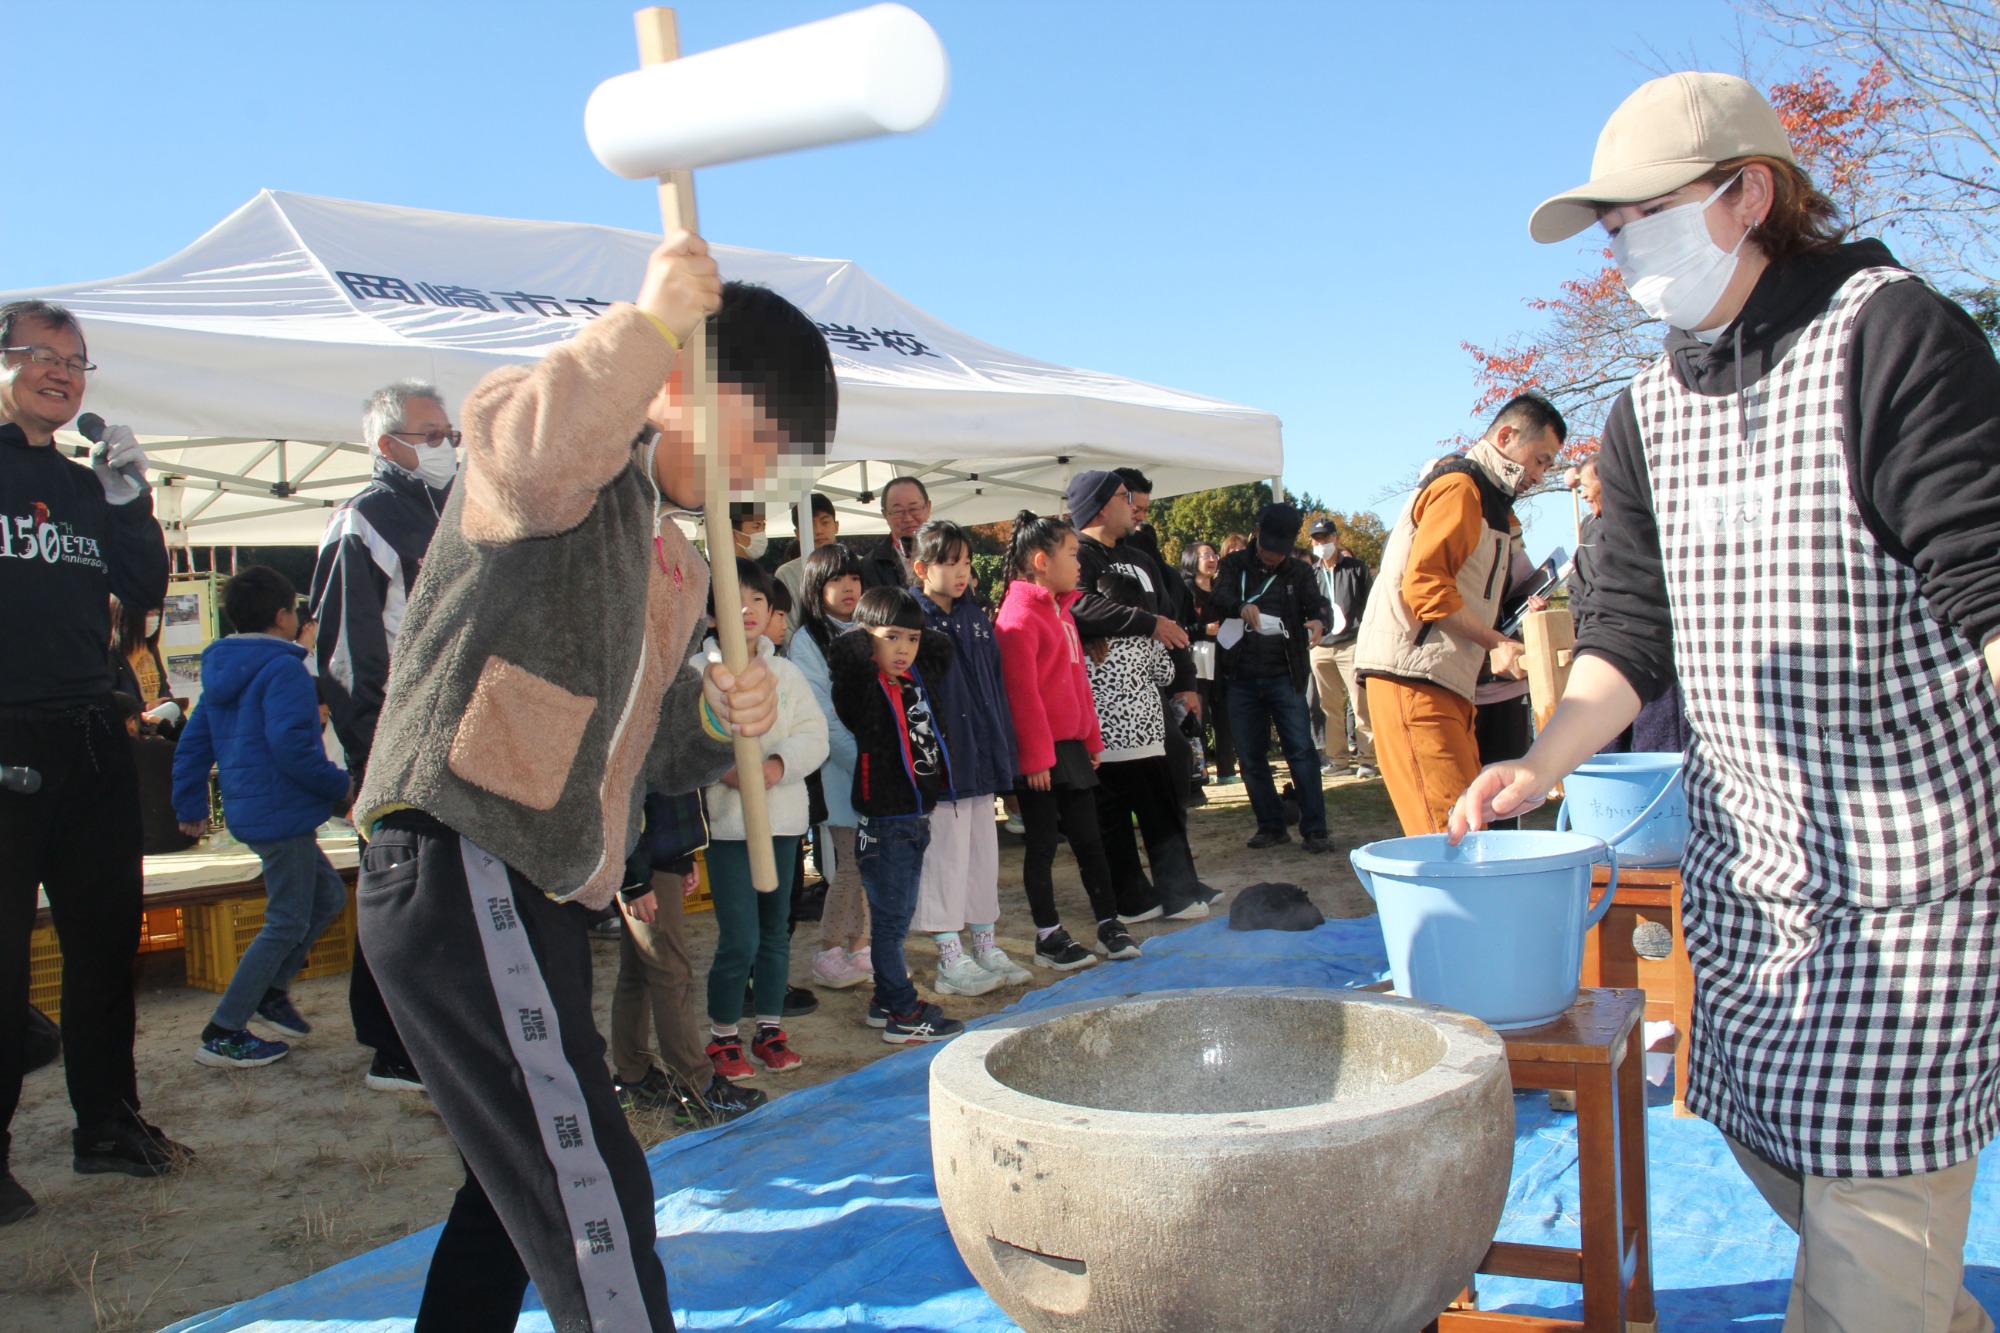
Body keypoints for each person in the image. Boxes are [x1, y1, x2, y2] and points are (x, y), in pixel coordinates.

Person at [1452, 71, 2000, 1333]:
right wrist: (1538, 764)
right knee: (1799, 1184)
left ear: (1749, 195)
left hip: (1908, 894)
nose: (1621, 250)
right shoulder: (1643, 410)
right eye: (1610, 229)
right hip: (1749, 883)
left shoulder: (1890, 336)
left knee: (1865, 1279)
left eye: (1642, 215)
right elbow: (1626, 638)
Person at [350, 236, 812, 1333]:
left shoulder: (676, 563)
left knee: (510, 1191)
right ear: (679, 387)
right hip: (465, 851)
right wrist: (646, 322)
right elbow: (526, 452)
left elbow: (640, 751)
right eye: (757, 433)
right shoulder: (559, 450)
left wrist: (710, 716)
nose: (755, 472)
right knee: (590, 1186)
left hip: (540, 887)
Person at [0, 299, 186, 1224]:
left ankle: (108, 1123)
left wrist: (129, 501)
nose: (64, 373)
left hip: (90, 736)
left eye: (77, 362)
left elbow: (145, 591)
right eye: (42, 355)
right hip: (6, 737)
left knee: (106, 941)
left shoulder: (81, 483)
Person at [309, 378, 456, 1095]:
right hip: (394, 741)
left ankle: (435, 1029)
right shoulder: (361, 520)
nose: (446, 447)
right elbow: (344, 650)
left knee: (442, 891)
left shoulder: (456, 512)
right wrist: (372, 751)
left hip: (458, 736)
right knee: (398, 885)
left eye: (450, 435)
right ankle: (390, 1042)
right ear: (387, 443)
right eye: (431, 436)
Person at [1354, 396, 1564, 836]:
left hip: (1443, 681)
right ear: (1506, 436)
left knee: (1471, 831)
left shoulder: (1490, 502)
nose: (1541, 475)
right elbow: (1426, 588)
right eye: (1540, 460)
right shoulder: (1461, 487)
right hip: (1414, 681)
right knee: (1453, 838)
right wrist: (1497, 641)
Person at [170, 566, 353, 1071]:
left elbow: (192, 744)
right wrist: (345, 789)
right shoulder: (285, 670)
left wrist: (189, 806)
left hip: (256, 811)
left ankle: (271, 991)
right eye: (295, 610)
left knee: (328, 896)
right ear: (282, 616)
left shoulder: (224, 669)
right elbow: (295, 750)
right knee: (286, 918)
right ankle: (224, 1030)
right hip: (283, 813)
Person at [697, 558, 828, 1083]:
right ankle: (723, 1036)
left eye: (758, 601)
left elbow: (812, 735)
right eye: (734, 600)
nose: (747, 610)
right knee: (739, 937)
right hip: (729, 828)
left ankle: (769, 1029)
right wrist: (721, 767)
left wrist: (776, 766)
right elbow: (690, 743)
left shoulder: (786, 673)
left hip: (782, 821)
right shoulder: (698, 674)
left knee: (776, 931)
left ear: (773, 612)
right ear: (712, 615)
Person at [993, 511, 1136, 966]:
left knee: (1089, 840)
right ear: (1041, 560)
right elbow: (1021, 694)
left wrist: (1091, 740)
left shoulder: (1064, 613)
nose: (1079, 564)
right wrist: (1035, 758)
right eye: (1072, 554)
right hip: (1039, 755)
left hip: (1070, 748)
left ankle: (1108, 922)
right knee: (1041, 845)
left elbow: (1078, 683)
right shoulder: (1017, 618)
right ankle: (1047, 935)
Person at [827, 587, 968, 1043]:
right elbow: (846, 660)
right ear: (868, 640)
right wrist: (864, 636)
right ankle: (902, 1013)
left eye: (912, 638)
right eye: (891, 637)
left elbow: (941, 651)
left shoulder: (915, 682)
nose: (904, 648)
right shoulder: (864, 690)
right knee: (890, 924)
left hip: (914, 817)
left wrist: (908, 635)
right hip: (886, 822)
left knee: (896, 917)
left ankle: (886, 1000)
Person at [909, 521, 1032, 995]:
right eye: (948, 562)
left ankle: (985, 945)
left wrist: (1003, 752)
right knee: (945, 858)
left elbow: (997, 689)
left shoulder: (977, 618)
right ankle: (948, 957)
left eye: (966, 562)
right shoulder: (911, 622)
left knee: (982, 855)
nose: (961, 572)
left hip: (980, 761)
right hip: (942, 767)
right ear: (922, 568)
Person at [609, 789, 766, 1129]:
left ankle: (634, 1078)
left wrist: (682, 855)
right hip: (643, 863)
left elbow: (669, 791)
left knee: (640, 971)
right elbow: (622, 798)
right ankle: (698, 1091)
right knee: (670, 973)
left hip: (654, 856)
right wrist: (634, 879)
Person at [1082, 571, 1217, 923]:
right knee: (1161, 823)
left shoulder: (1084, 642)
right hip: (1145, 747)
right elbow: (1165, 675)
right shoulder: (1145, 638)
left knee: (1114, 830)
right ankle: (1181, 896)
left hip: (1102, 752)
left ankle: (1132, 902)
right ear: (1139, 607)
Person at [1064, 470, 1201, 804]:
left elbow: (1170, 622)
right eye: (1125, 498)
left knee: (1174, 776)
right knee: (1114, 811)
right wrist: (1147, 623)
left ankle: (1170, 845)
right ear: (1100, 507)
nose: (1134, 507)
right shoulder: (1075, 555)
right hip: (1101, 708)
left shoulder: (1141, 559)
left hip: (1152, 703)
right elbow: (1077, 605)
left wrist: (1186, 682)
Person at [1205, 503, 1333, 852]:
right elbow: (1218, 597)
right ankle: (1270, 824)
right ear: (1257, 534)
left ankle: (1315, 829)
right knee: (1250, 755)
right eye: (1268, 548)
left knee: (1301, 751)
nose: (1274, 556)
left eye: (1282, 551)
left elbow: (1319, 606)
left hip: (1285, 674)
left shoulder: (1299, 572)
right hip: (1241, 675)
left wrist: (1321, 622)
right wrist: (1239, 607)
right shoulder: (1233, 565)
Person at [786, 543, 873, 989]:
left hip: (873, 771)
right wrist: (866, 760)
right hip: (841, 772)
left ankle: (859, 945)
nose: (848, 588)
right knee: (850, 864)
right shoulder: (807, 642)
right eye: (837, 580)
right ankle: (828, 949)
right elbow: (821, 714)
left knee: (868, 862)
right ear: (815, 589)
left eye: (854, 579)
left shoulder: (870, 628)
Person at [1305, 516, 1376, 778]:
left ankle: (1367, 759)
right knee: (1328, 706)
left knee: (1360, 702)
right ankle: (1339, 761)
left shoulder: (1356, 568)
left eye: (1325, 537)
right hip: (1321, 646)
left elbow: (1370, 603)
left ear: (1336, 538)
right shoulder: (1311, 573)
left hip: (1352, 643)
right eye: (1317, 539)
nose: (1321, 543)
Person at [1181, 541, 1235, 783]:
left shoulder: (1221, 589)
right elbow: (1178, 626)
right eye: (1206, 555)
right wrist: (1203, 630)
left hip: (1222, 656)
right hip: (1197, 657)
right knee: (1198, 715)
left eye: (1214, 555)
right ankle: (1199, 771)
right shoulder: (1185, 590)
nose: (1212, 559)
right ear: (1192, 559)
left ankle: (1227, 770)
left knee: (1224, 714)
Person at [860, 475, 931, 590]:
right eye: (898, 511)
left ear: (928, 507)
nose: (908, 518)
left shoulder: (947, 555)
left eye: (914, 509)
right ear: (885, 514)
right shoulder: (870, 567)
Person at [773, 491, 838, 604]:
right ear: (798, 533)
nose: (818, 531)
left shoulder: (860, 565)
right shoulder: (787, 574)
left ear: (836, 526)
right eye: (810, 524)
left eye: (825, 522)